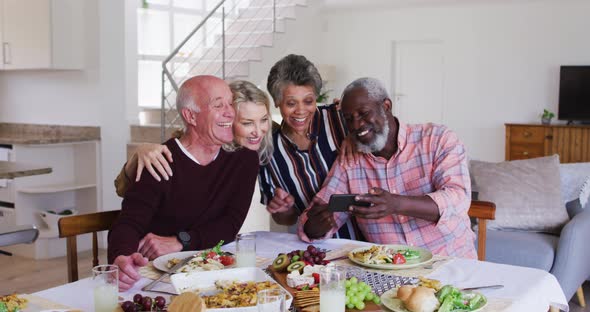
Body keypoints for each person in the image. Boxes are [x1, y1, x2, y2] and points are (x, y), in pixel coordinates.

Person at [108, 75, 260, 291]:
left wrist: (181, 241)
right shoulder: (159, 159)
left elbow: (230, 224)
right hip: (160, 278)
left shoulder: (243, 159)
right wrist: (121, 256)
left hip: (212, 273)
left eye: (230, 103)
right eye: (219, 105)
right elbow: (128, 223)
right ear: (190, 115)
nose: (230, 112)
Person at [298, 77, 476, 258]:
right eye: (349, 119)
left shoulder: (437, 139)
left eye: (364, 113)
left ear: (386, 106)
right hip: (392, 272)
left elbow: (458, 199)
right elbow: (317, 216)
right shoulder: (349, 162)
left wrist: (396, 204)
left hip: (452, 261)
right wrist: (314, 226)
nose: (356, 125)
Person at [114, 80, 273, 196]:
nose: (258, 132)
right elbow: (121, 188)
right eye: (247, 123)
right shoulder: (190, 151)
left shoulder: (251, 152)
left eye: (264, 120)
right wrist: (138, 155)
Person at [259, 54, 358, 238]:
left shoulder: (339, 118)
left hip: (366, 242)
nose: (301, 111)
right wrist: (283, 208)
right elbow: (285, 220)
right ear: (277, 102)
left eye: (308, 101)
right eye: (291, 103)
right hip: (317, 248)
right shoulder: (267, 151)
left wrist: (356, 135)